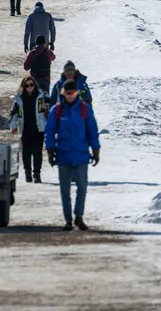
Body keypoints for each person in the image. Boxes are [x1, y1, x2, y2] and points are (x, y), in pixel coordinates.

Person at [45, 80, 100, 231]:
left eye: (73, 93)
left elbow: (92, 131)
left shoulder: (84, 109)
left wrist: (96, 150)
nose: (70, 96)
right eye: (68, 93)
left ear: (77, 93)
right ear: (63, 93)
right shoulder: (56, 110)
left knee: (82, 187)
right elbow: (49, 132)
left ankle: (79, 217)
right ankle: (68, 220)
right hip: (63, 156)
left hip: (81, 156)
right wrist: (50, 151)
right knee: (65, 190)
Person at [10, 75, 48, 183]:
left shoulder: (42, 95)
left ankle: (37, 174)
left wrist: (47, 108)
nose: (29, 87)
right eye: (27, 85)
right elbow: (14, 113)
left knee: (37, 152)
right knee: (26, 152)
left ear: (35, 85)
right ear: (24, 86)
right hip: (25, 128)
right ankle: (27, 174)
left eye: (31, 85)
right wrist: (13, 127)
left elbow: (53, 109)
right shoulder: (19, 99)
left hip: (39, 128)